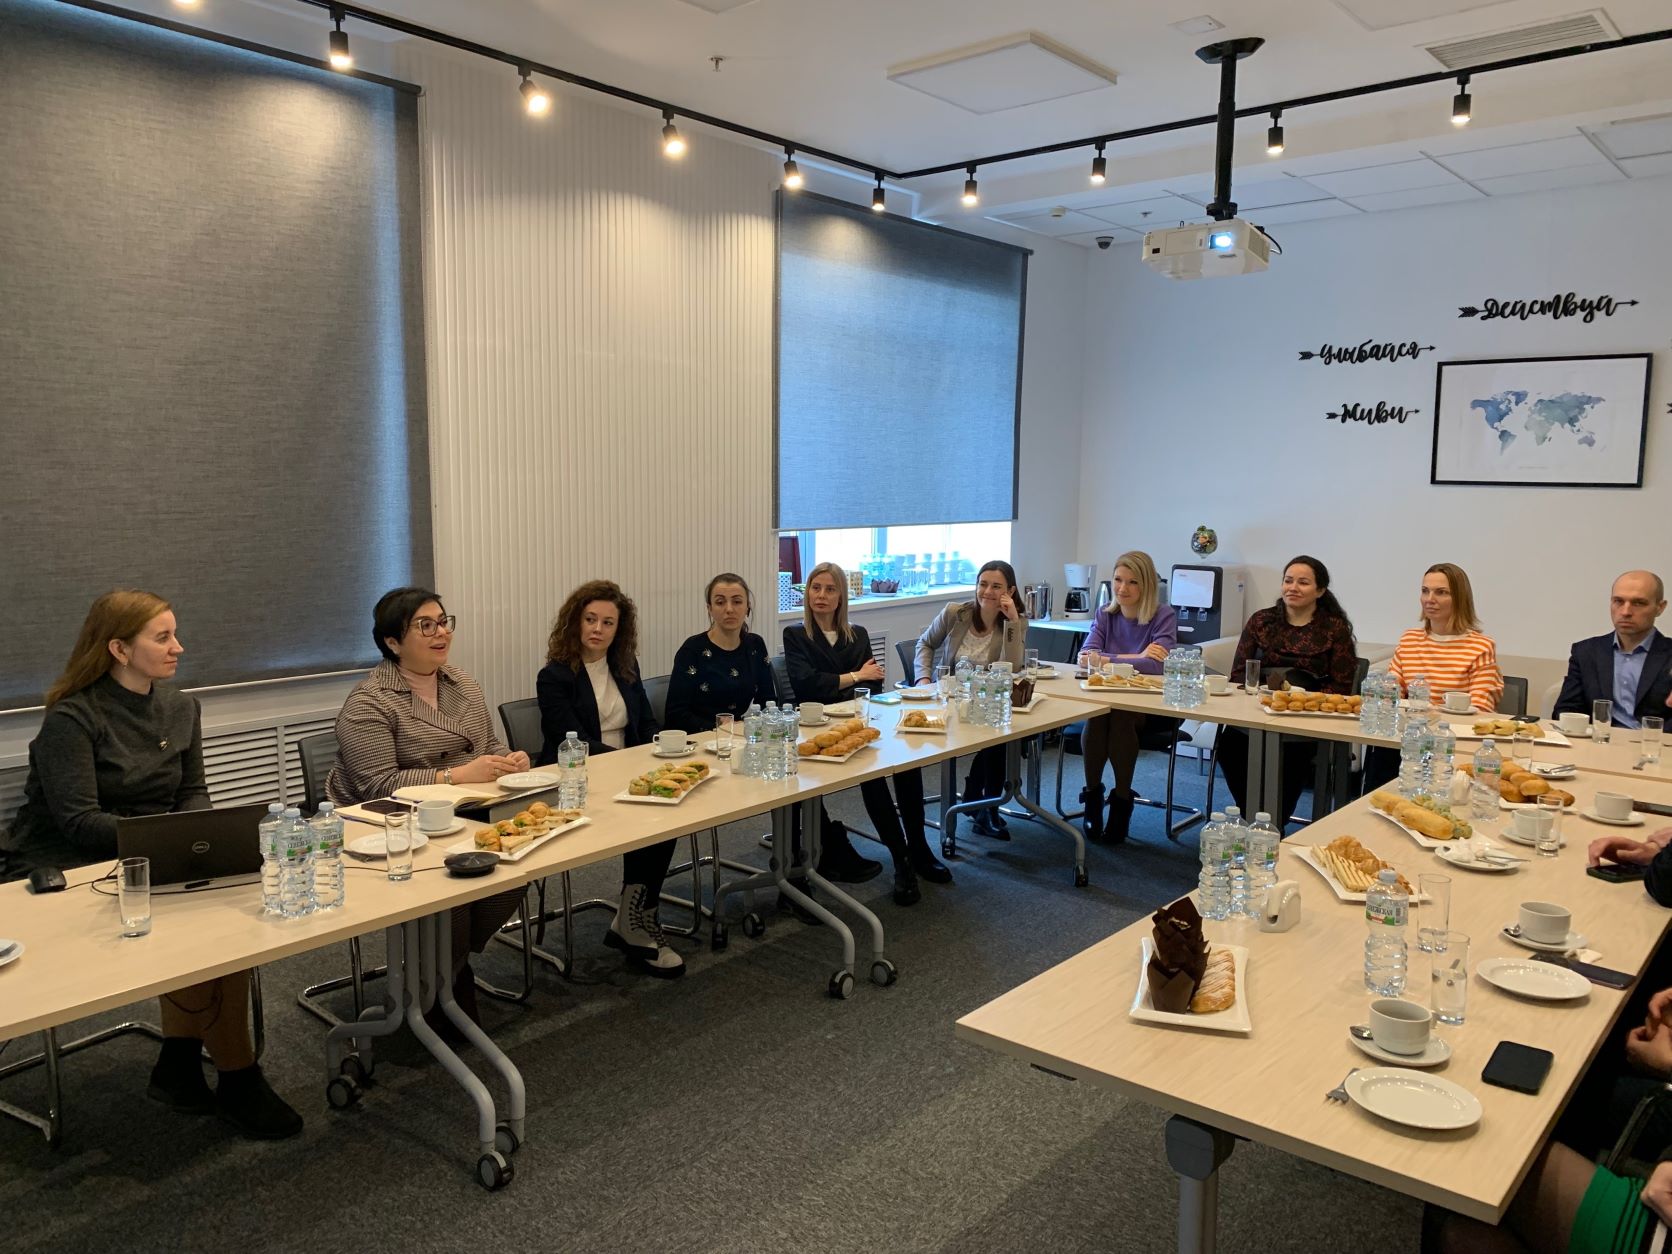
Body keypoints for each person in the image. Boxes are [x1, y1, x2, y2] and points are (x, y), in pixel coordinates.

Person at [0, 590, 301, 1139]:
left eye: (174, 634)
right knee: (205, 932)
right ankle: (236, 1079)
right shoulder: (73, 718)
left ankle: (180, 1063)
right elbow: (78, 822)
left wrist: (197, 838)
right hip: (69, 865)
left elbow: (192, 792)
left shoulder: (181, 707)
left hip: (149, 852)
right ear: (118, 649)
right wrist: (166, 841)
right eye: (162, 637)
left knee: (227, 924)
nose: (178, 647)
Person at [329, 587, 532, 1033]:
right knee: (451, 893)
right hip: (393, 827)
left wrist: (510, 760)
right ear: (393, 642)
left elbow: (488, 745)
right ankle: (445, 983)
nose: (441, 633)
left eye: (443, 622)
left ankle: (443, 970)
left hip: (465, 816)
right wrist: (454, 776)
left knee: (516, 869)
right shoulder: (369, 702)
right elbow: (376, 786)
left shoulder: (463, 683)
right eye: (425, 626)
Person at [536, 579, 682, 978]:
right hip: (576, 780)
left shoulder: (625, 667)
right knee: (650, 815)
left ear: (620, 629)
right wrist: (630, 765)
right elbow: (573, 741)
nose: (597, 629)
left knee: (669, 813)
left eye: (607, 622)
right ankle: (636, 919)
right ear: (575, 622)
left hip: (628, 771)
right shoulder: (554, 676)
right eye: (590, 619)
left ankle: (636, 913)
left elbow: (646, 722)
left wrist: (662, 750)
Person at [784, 562, 948, 904]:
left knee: (907, 763)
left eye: (830, 589)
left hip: (859, 722)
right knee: (873, 777)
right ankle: (902, 858)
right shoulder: (796, 635)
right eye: (815, 588)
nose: (821, 595)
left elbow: (873, 686)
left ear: (841, 596)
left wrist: (846, 682)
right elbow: (806, 685)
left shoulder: (856, 634)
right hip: (818, 729)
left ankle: (918, 848)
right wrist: (855, 676)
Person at [1216, 556, 1358, 827]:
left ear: (1320, 590)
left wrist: (1303, 700)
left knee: (1290, 756)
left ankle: (1273, 824)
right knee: (1230, 746)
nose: (1293, 587)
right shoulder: (1262, 621)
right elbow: (1239, 674)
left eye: (1303, 582)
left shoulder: (1333, 628)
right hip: (1259, 709)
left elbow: (1342, 685)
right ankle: (1254, 817)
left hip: (1307, 717)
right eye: (1288, 580)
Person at [914, 560, 1027, 838]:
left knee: (1001, 733)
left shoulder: (1016, 622)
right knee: (999, 736)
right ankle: (982, 804)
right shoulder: (956, 613)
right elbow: (925, 643)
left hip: (988, 702)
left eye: (996, 586)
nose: (987, 591)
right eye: (982, 584)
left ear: (1010, 591)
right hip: (951, 700)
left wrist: (1012, 622)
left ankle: (984, 804)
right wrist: (923, 680)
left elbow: (1014, 666)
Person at [1075, 551, 1177, 844]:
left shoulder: (1163, 615)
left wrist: (1105, 659)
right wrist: (1136, 656)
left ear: (1146, 585)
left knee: (1119, 715)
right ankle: (1093, 796)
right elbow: (1085, 658)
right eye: (1118, 580)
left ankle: (1122, 801)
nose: (1122, 588)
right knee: (1100, 715)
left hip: (1151, 703)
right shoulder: (1105, 614)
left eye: (1132, 582)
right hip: (1107, 698)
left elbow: (1158, 666)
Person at [1554, 571, 1672, 728]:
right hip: (1599, 739)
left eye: (1638, 603)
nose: (1625, 612)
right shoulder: (1586, 652)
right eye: (1618, 601)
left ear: (1660, 608)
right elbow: (1566, 710)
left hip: (1655, 741)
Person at [664, 573, 776, 735]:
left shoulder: (755, 645)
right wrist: (716, 726)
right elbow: (675, 714)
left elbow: (768, 700)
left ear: (747, 607)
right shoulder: (692, 650)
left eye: (737, 602)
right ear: (709, 609)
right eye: (720, 602)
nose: (729, 609)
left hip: (738, 735)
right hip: (700, 737)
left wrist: (752, 725)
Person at [1387, 562, 1504, 714]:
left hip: (1454, 727)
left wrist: (1428, 712)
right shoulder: (1409, 640)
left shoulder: (1481, 647)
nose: (1429, 599)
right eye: (1425, 591)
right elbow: (1389, 695)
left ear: (1459, 599)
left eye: (1441, 592)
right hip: (1413, 725)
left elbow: (1480, 709)